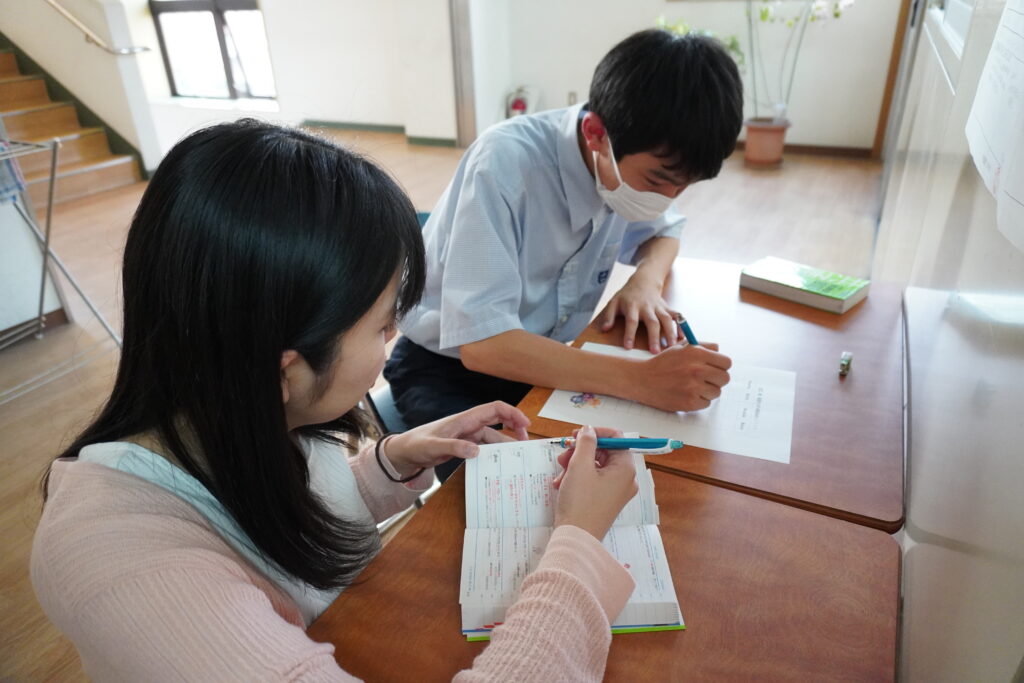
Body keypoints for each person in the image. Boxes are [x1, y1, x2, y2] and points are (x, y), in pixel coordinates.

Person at [30, 120, 641, 681]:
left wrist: (391, 462)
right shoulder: (132, 570)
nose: (395, 337)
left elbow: (277, 527)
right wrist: (578, 544)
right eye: (382, 326)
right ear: (284, 368)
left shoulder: (241, 413)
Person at [385, 30, 742, 482]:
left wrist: (644, 283)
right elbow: (483, 344)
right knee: (522, 492)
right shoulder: (505, 164)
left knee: (635, 476)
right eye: (656, 181)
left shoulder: (623, 159)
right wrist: (643, 380)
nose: (668, 197)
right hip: (449, 370)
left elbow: (665, 231)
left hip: (545, 362)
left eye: (685, 185)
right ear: (595, 134)